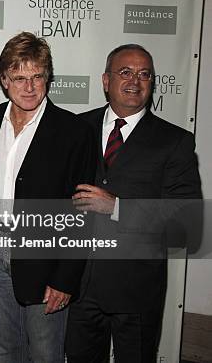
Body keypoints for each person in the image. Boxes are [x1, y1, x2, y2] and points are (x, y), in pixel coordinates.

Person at [65, 44, 202, 362]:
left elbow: (188, 225)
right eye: (125, 72)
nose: (135, 80)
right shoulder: (74, 130)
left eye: (145, 74)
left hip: (137, 292)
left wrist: (117, 208)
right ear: (105, 80)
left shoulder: (174, 141)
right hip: (76, 288)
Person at [0, 32, 96, 363]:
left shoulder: (73, 132)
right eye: (19, 78)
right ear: (4, 80)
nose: (29, 87)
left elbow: (83, 213)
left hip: (46, 263)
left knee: (46, 354)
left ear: (48, 78)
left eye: (37, 77)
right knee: (6, 352)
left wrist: (65, 278)